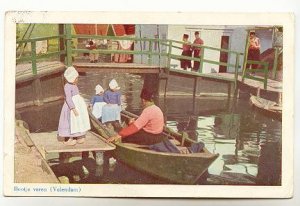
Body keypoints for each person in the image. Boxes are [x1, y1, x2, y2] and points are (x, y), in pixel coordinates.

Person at [58, 66, 91, 146]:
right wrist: (73, 108)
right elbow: (68, 98)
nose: (77, 80)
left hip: (77, 105)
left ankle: (79, 136)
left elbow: (77, 96)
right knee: (70, 121)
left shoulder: (74, 85)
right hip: (71, 107)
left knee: (78, 120)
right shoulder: (67, 86)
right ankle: (69, 138)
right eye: (76, 78)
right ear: (71, 78)